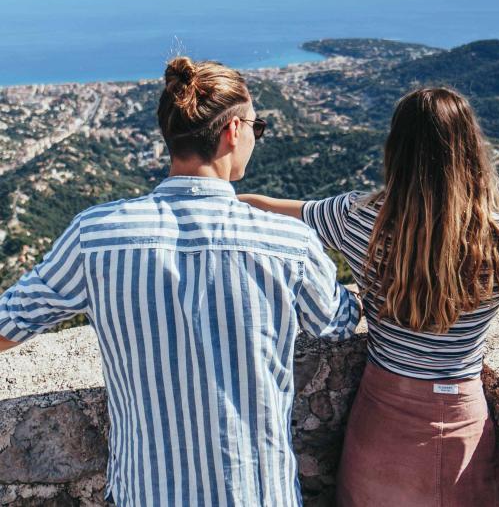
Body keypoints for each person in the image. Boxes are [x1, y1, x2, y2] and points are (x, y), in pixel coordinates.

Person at [240, 86, 499, 507]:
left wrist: (217, 204)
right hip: (455, 433)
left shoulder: (356, 218)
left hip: (373, 426)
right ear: (471, 150)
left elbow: (270, 208)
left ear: (394, 150)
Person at [0, 57, 362, 507]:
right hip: (257, 492)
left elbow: (8, 323)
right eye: (257, 126)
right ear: (233, 130)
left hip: (148, 492)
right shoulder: (288, 242)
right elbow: (339, 322)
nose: (255, 136)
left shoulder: (96, 236)